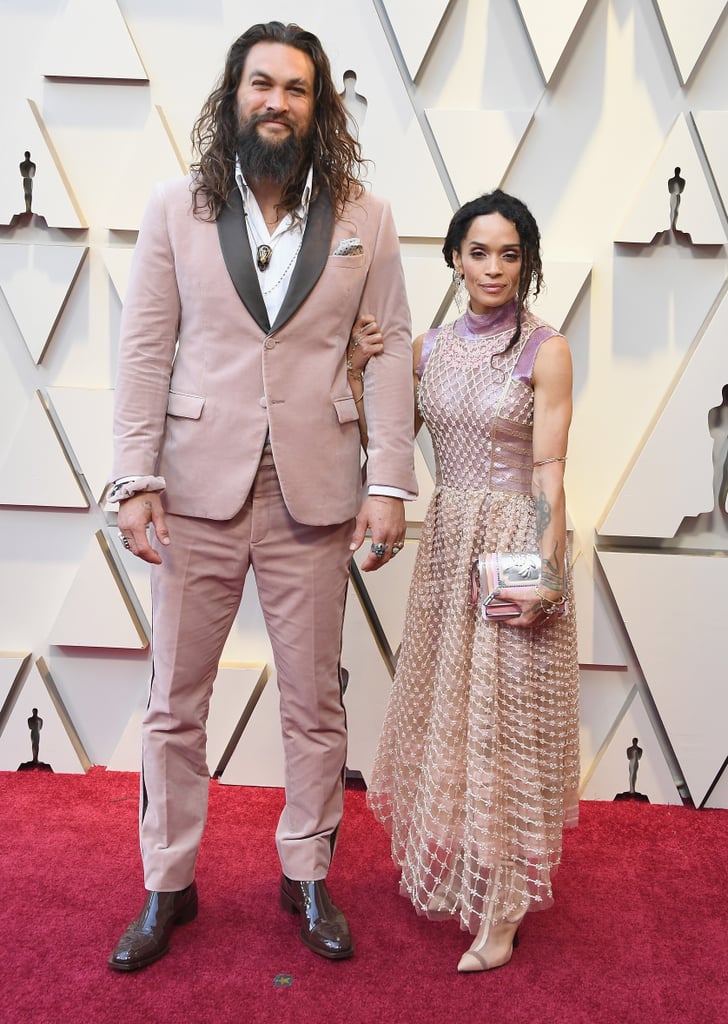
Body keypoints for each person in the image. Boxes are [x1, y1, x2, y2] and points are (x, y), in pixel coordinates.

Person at [106, 21, 416, 972]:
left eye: (296, 88)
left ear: (319, 107)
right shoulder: (175, 207)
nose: (275, 101)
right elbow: (145, 346)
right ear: (232, 96)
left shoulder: (368, 216)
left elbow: (393, 344)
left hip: (314, 492)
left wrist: (389, 481)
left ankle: (307, 873)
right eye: (259, 84)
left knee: (316, 701)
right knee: (172, 704)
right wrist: (134, 479)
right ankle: (168, 884)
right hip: (195, 488)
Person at [366, 190, 580, 973]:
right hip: (449, 542)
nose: (494, 268)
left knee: (506, 724)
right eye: (479, 251)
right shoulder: (426, 349)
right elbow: (382, 439)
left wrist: (546, 573)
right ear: (454, 259)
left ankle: (503, 910)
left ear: (528, 262)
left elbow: (552, 472)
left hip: (514, 541)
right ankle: (471, 872)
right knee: (455, 713)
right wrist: (365, 363)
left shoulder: (544, 348)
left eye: (510, 253)